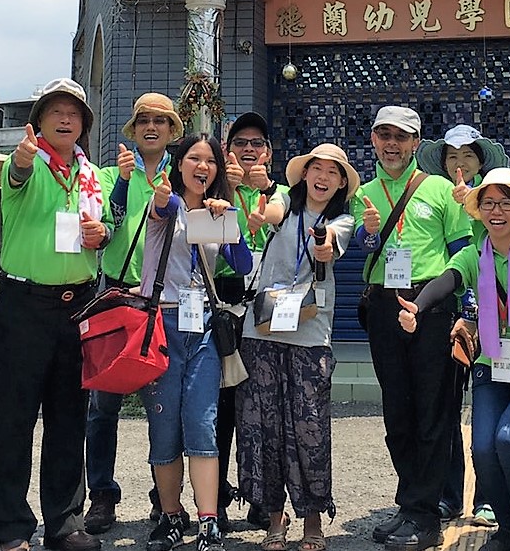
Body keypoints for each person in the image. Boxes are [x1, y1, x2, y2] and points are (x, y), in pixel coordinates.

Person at [400, 168, 510, 551]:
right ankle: (508, 530)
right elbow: (447, 280)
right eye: (489, 203)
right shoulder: (473, 256)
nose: (497, 211)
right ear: (479, 210)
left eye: (506, 203)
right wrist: (418, 307)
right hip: (493, 362)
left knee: (508, 440)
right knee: (482, 448)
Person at [0, 78, 112, 551]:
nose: (64, 119)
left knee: (69, 417)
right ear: (38, 121)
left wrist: (102, 233)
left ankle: (65, 522)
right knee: (13, 418)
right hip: (25, 303)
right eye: (55, 111)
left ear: (83, 124)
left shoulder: (90, 174)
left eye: (73, 113)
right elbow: (16, 177)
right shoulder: (25, 162)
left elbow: (103, 226)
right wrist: (21, 159)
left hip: (78, 304)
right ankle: (9, 527)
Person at [351, 105, 472, 551]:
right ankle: (410, 504)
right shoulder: (364, 192)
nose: (392, 144)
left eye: (401, 136)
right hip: (384, 306)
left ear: (416, 143)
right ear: (373, 140)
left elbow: (462, 251)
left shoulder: (440, 188)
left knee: (432, 412)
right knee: (397, 414)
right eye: (384, 135)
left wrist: (466, 309)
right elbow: (363, 246)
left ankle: (425, 514)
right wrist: (367, 233)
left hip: (431, 306)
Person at [236, 143, 358, 551]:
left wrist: (322, 244)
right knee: (265, 427)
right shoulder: (286, 200)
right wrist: (262, 212)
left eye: (332, 172)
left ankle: (313, 521)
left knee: (309, 429)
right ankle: (274, 520)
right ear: (304, 174)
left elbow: (330, 243)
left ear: (340, 183)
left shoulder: (342, 219)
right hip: (263, 331)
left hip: (310, 336)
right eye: (316, 168)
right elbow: (273, 209)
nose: (323, 177)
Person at [143, 134, 252, 551]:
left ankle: (209, 523)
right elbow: (161, 206)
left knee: (203, 423)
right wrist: (163, 197)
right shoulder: (166, 205)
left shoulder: (218, 212)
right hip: (164, 323)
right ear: (179, 163)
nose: (202, 166)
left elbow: (242, 264)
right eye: (194, 158)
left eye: (210, 161)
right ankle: (171, 516)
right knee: (164, 427)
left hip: (204, 324)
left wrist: (230, 220)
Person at [85, 93, 183, 535]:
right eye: (143, 120)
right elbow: (110, 224)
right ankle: (102, 495)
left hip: (164, 300)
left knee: (161, 404)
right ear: (133, 128)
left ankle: (163, 498)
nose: (151, 127)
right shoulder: (110, 174)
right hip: (117, 294)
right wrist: (124, 181)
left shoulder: (180, 174)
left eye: (160, 121)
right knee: (103, 405)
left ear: (172, 130)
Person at [416, 122, 508, 526]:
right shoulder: (437, 195)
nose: (460, 163)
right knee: (448, 406)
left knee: (492, 407)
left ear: (481, 162)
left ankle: (488, 498)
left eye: (468, 155)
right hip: (449, 315)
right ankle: (449, 495)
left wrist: (475, 203)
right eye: (452, 156)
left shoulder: (497, 200)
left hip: (497, 317)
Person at [217, 111, 284, 530]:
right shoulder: (216, 192)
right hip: (224, 302)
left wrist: (267, 191)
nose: (248, 149)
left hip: (270, 304)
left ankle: (263, 497)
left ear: (269, 153)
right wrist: (226, 192)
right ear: (227, 151)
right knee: (222, 408)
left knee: (264, 408)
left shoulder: (285, 194)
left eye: (256, 143)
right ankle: (216, 498)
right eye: (240, 142)